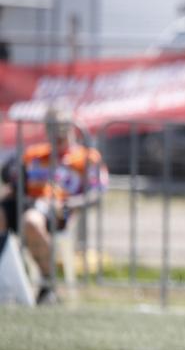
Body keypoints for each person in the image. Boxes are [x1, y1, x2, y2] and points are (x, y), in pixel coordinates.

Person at [0, 105, 108, 304]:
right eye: (52, 126)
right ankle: (11, 279)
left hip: (61, 209)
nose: (57, 132)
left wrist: (71, 203)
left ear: (71, 127)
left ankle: (48, 284)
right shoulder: (33, 154)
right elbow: (15, 186)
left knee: (32, 220)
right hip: (27, 204)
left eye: (61, 126)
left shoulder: (86, 157)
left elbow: (96, 194)